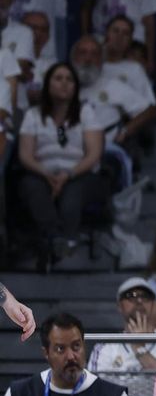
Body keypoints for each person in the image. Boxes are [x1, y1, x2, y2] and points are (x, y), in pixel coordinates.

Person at [15, 62, 108, 263]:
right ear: (48, 84)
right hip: (41, 173)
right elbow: (25, 156)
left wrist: (68, 175)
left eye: (69, 79)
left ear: (75, 86)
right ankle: (55, 239)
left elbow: (93, 154)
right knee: (32, 186)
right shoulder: (33, 115)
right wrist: (48, 175)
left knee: (73, 190)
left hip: (80, 173)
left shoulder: (86, 113)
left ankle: (67, 239)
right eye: (58, 79)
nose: (64, 84)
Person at [1, 312, 129, 396]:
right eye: (60, 349)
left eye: (76, 346)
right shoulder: (19, 395)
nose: (71, 356)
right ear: (46, 353)